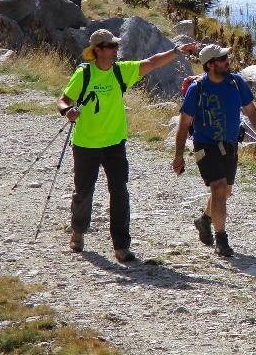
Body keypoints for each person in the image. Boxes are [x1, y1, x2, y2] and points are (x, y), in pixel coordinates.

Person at [57, 29, 195, 262]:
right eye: (111, 46)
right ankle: (78, 232)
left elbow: (151, 63)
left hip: (115, 144)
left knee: (120, 193)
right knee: (83, 192)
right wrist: (66, 111)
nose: (115, 50)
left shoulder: (121, 71)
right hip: (86, 144)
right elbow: (63, 100)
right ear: (98, 50)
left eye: (115, 46)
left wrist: (176, 51)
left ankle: (121, 246)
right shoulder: (84, 74)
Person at [172, 44, 256, 257]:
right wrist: (179, 155)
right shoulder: (196, 89)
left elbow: (252, 112)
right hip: (205, 145)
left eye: (226, 57)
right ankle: (221, 239)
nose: (227, 60)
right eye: (222, 58)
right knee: (218, 187)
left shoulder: (236, 83)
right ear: (210, 65)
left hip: (230, 145)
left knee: (226, 191)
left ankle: (205, 219)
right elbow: (183, 125)